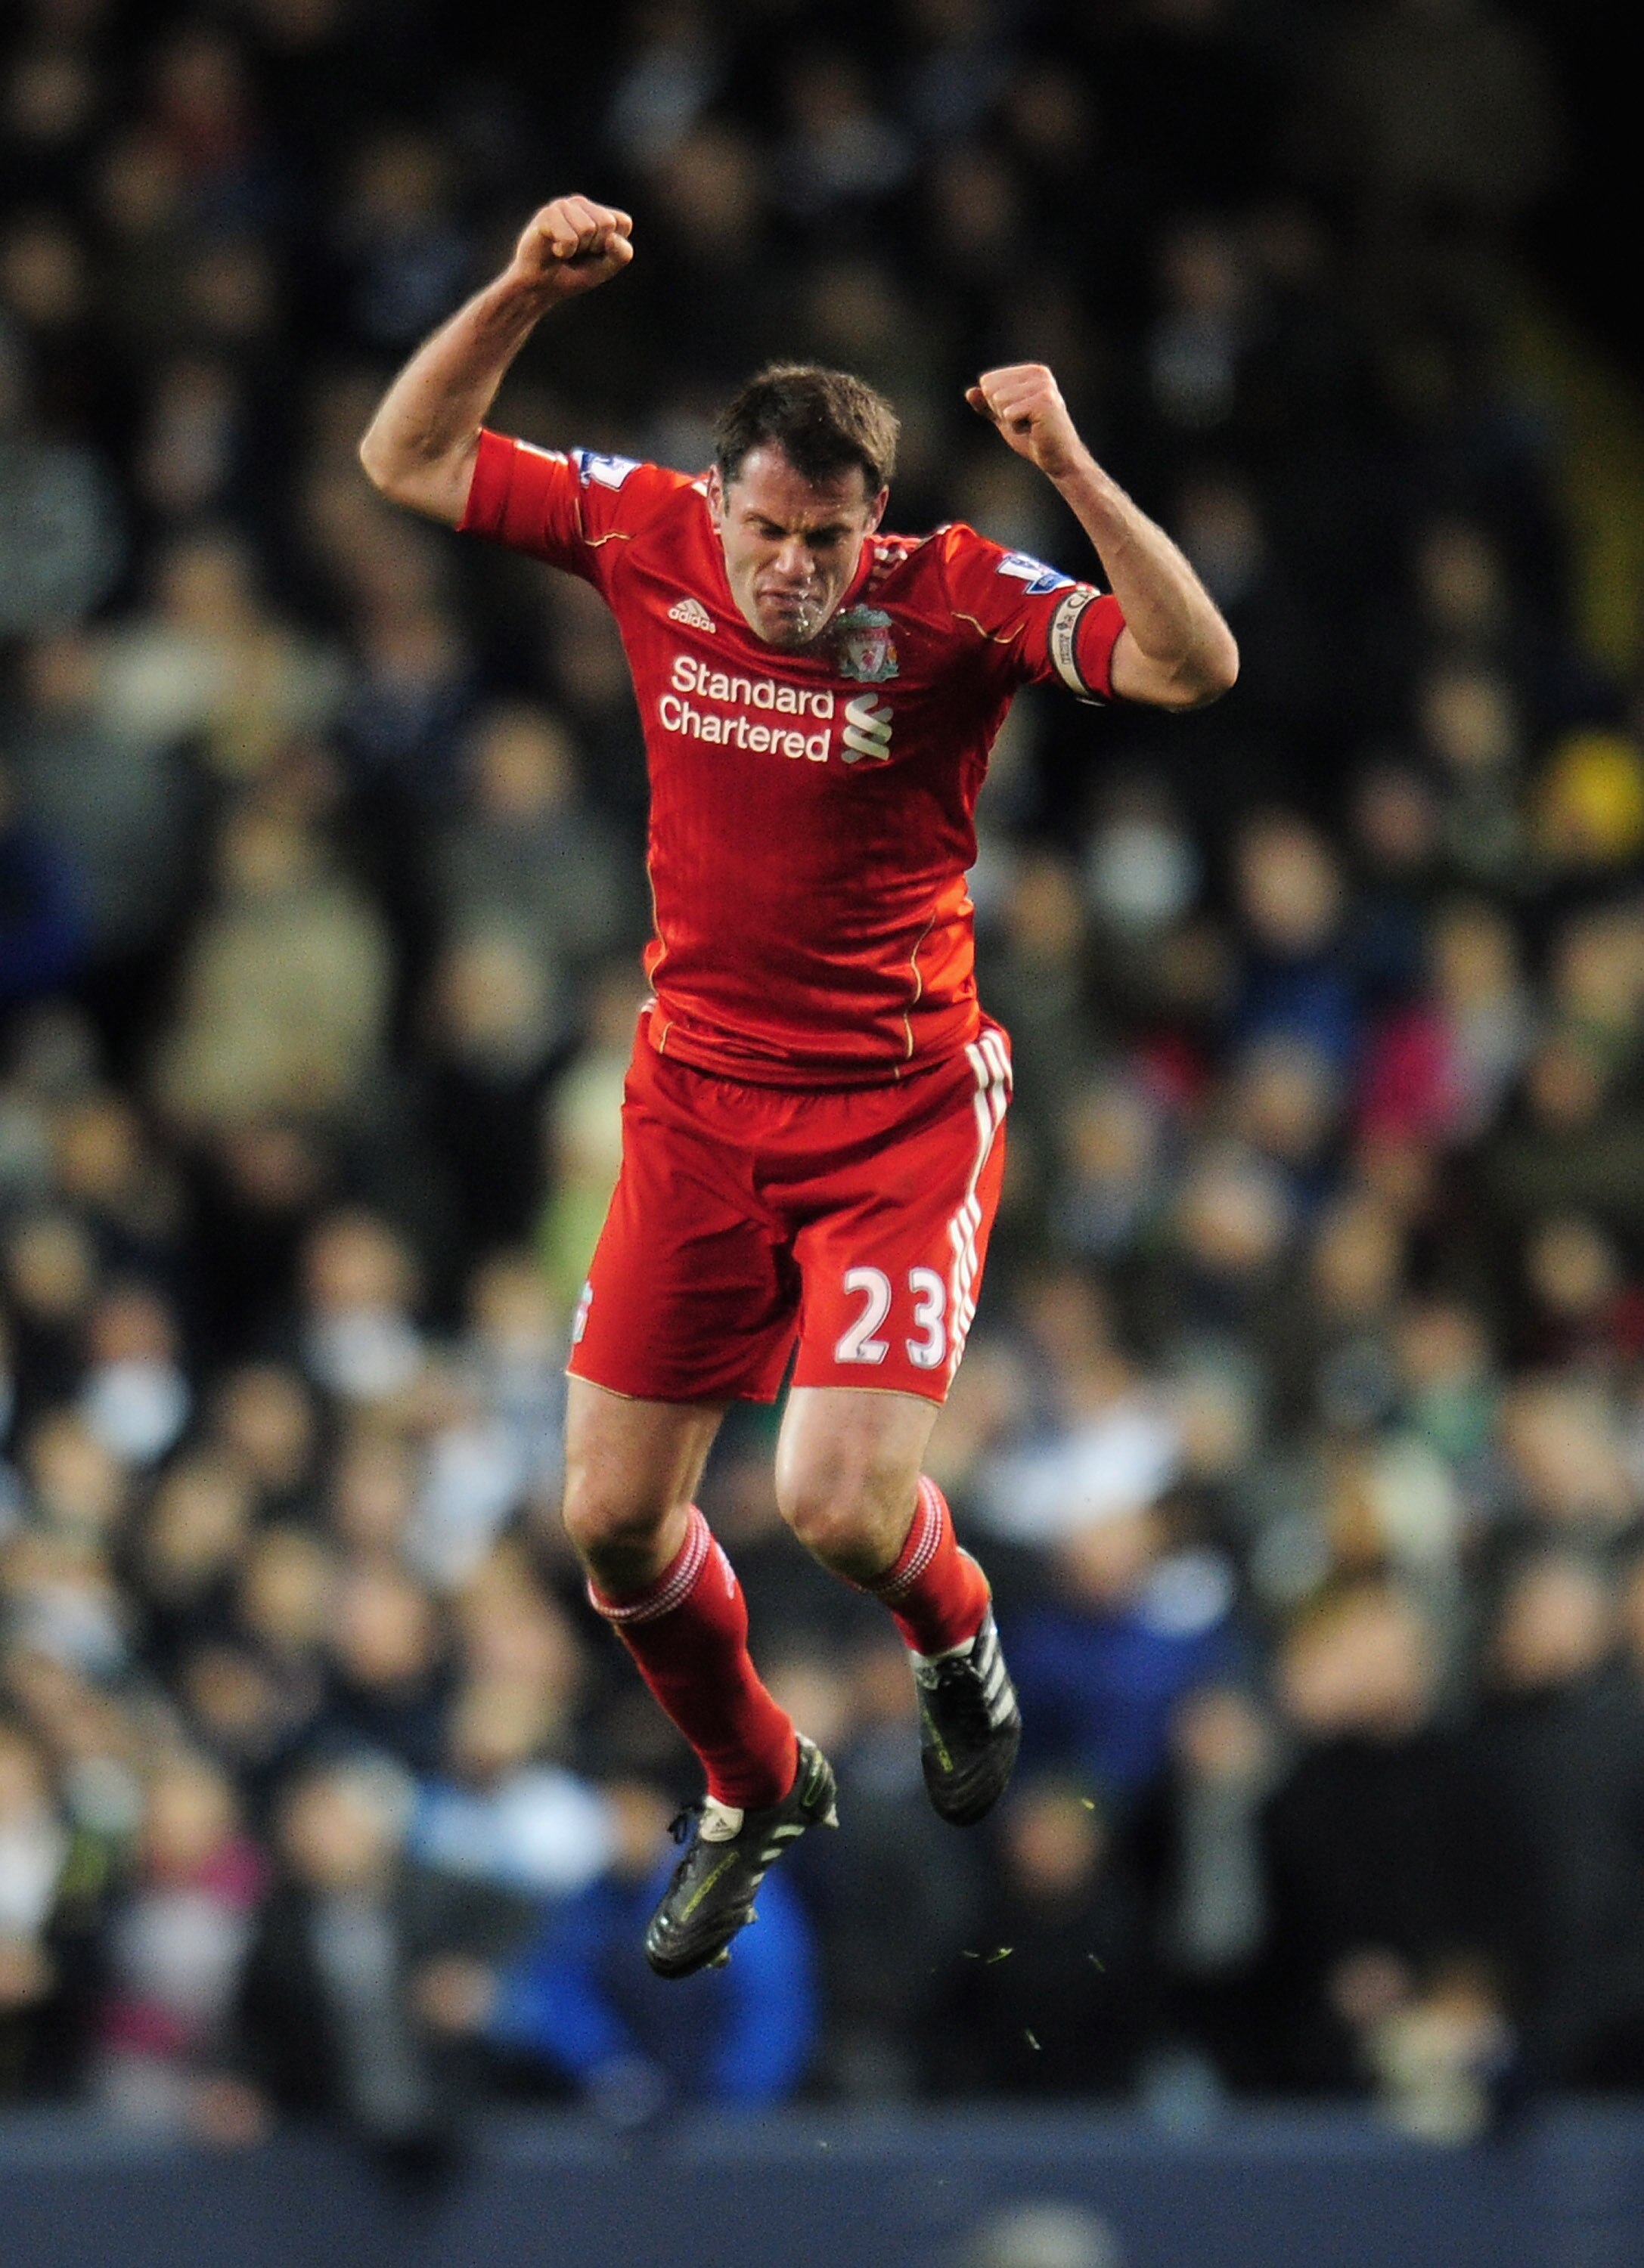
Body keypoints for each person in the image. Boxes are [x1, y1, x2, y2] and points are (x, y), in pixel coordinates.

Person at [359, 194, 1237, 1980]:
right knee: (608, 1520)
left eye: (824, 539)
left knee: (837, 1508)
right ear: (722, 500)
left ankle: (956, 1630)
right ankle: (755, 1783)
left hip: (898, 1112)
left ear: (873, 524)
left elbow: (1190, 664)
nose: (787, 571)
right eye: (765, 529)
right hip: (695, 1101)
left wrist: (1064, 457)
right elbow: (406, 457)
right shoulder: (644, 530)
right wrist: (522, 287)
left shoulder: (957, 600)